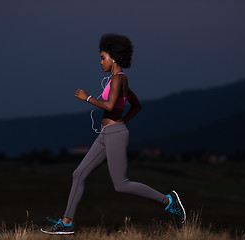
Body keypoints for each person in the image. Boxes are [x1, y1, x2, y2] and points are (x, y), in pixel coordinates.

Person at [41, 33, 186, 235]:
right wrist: (120, 122)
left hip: (115, 134)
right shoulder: (116, 81)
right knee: (79, 173)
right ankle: (66, 222)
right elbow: (136, 105)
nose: (100, 62)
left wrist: (88, 98)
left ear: (114, 58)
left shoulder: (119, 79)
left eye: (103, 58)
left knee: (121, 184)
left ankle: (168, 200)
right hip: (107, 133)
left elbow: (110, 105)